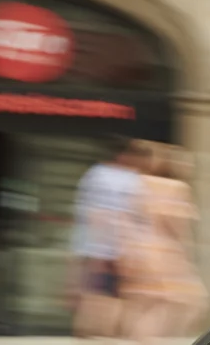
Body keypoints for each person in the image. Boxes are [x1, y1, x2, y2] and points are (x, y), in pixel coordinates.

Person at [120, 141, 209, 345]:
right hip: (165, 253)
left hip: (138, 250)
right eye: (188, 163)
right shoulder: (177, 188)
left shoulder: (142, 182)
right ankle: (147, 341)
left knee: (145, 305)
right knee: (193, 302)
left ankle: (141, 339)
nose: (190, 167)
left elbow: (129, 216)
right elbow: (176, 224)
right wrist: (188, 253)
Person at [67, 135, 148, 339]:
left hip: (100, 247)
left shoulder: (95, 174)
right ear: (123, 155)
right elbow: (101, 214)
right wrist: (104, 252)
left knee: (97, 299)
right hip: (109, 249)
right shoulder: (114, 178)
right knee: (102, 300)